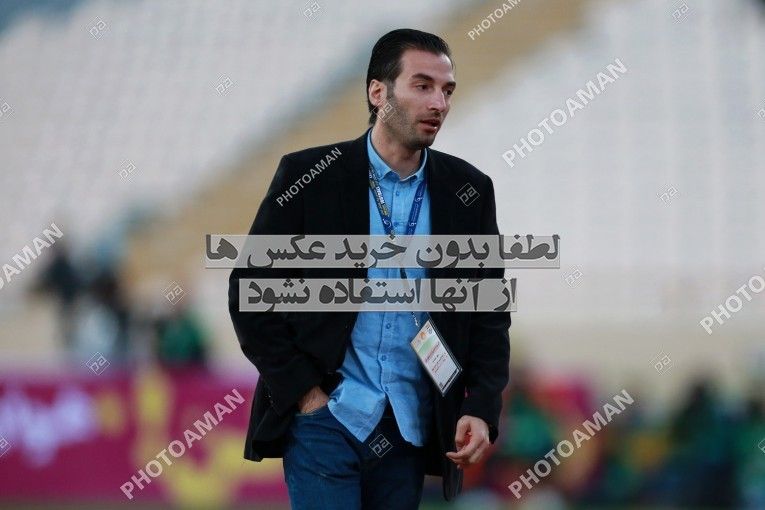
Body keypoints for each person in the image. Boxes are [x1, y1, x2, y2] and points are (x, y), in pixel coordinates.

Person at [228, 28, 511, 509]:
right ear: (378, 92)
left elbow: (489, 313)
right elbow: (250, 293)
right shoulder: (308, 176)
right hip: (326, 420)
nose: (439, 102)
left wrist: (481, 407)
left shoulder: (468, 190)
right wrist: (306, 396)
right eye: (422, 85)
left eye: (447, 90)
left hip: (409, 428)